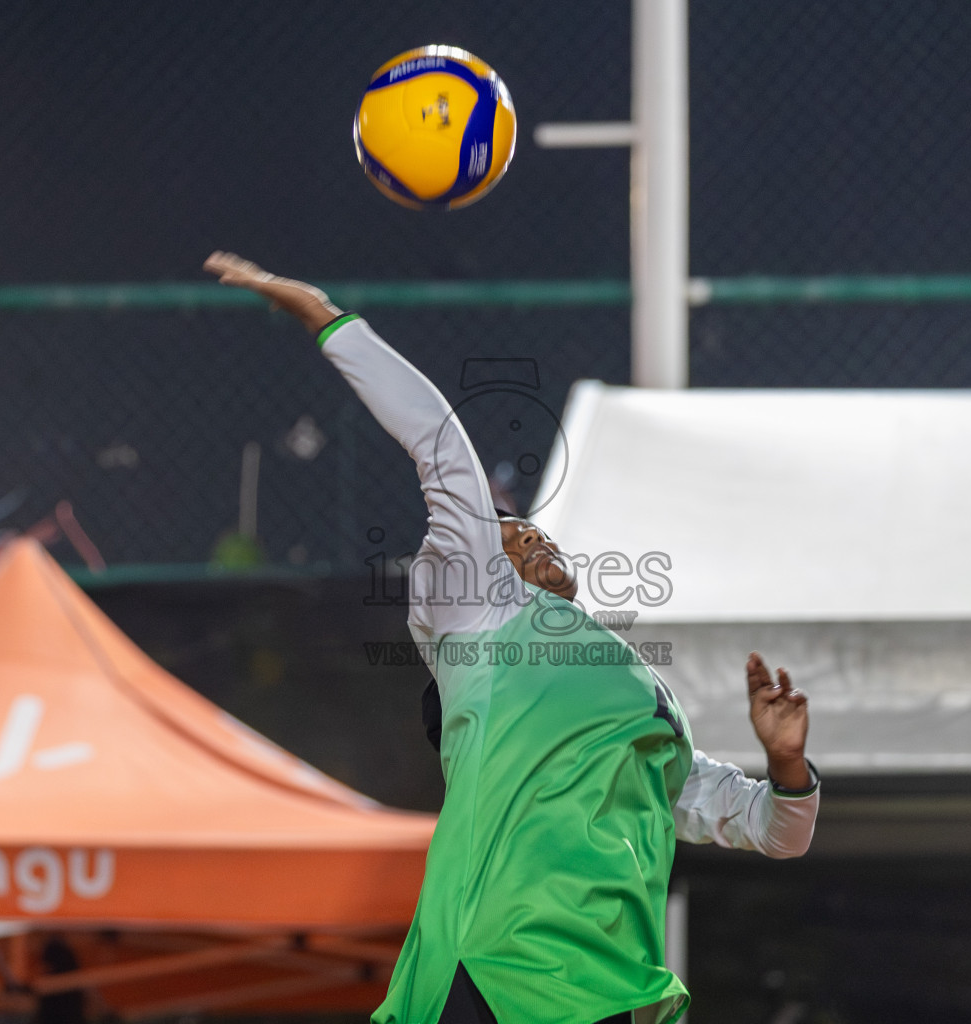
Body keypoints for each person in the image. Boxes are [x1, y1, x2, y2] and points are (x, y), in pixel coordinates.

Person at [204, 252, 819, 1024]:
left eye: (531, 529)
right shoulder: (481, 615)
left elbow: (776, 831)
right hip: (495, 970)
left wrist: (788, 765)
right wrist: (326, 319)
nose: (528, 538)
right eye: (507, 535)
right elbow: (439, 444)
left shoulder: (638, 698)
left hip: (602, 989)